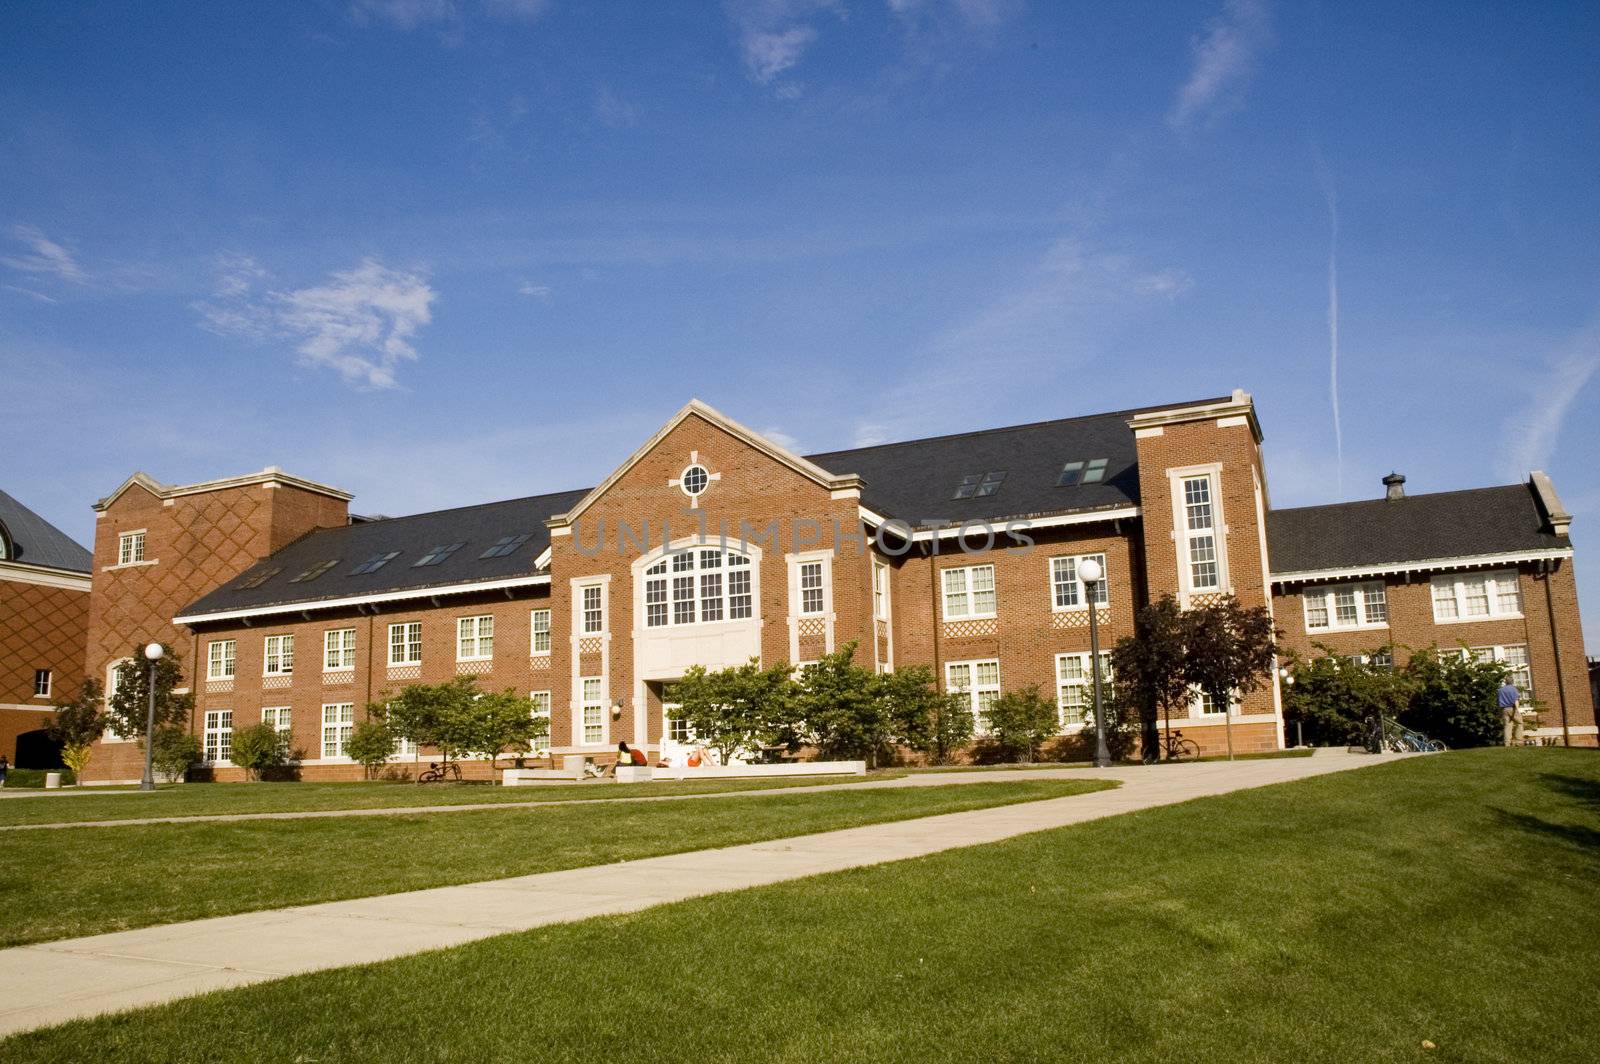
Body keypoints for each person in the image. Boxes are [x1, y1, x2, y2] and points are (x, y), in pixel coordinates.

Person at [1498, 679, 1523, 746]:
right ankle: (1519, 741)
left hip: (1504, 709)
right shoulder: (1514, 689)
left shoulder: (1500, 690)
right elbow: (1516, 700)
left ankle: (1507, 743)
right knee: (1519, 723)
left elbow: (1498, 701)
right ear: (1512, 682)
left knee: (1507, 726)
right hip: (1513, 708)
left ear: (1505, 682)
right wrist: (1517, 710)